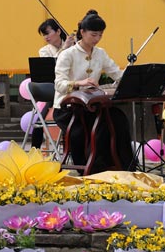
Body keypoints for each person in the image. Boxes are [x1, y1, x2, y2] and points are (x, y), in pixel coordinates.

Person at [52, 10, 135, 174]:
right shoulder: (67, 54)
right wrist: (79, 83)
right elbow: (59, 85)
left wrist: (133, 74)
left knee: (118, 119)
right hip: (68, 108)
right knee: (97, 126)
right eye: (93, 35)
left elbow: (117, 74)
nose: (97, 39)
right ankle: (93, 168)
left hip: (92, 106)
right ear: (82, 32)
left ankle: (122, 167)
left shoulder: (100, 53)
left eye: (100, 35)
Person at [31, 19, 76, 149]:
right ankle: (35, 148)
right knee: (41, 118)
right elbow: (54, 66)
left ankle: (70, 148)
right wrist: (65, 48)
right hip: (54, 89)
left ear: (58, 31)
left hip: (71, 88)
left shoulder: (73, 47)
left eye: (47, 33)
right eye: (43, 35)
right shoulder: (44, 51)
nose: (46, 37)